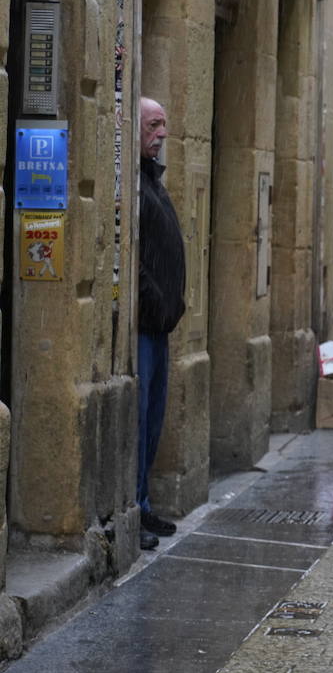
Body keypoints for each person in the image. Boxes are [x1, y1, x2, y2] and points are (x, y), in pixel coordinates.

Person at [137, 98, 188, 552]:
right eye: (154, 124)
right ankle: (135, 509)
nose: (163, 132)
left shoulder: (153, 179)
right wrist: (154, 298)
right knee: (137, 422)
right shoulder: (132, 183)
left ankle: (144, 504)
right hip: (143, 327)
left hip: (160, 326)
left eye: (164, 125)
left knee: (153, 422)